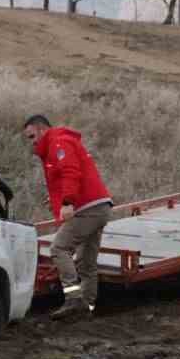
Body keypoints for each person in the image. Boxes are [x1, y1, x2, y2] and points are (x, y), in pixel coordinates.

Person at [23, 115, 113, 319]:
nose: (32, 142)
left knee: (59, 248)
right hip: (100, 206)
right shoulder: (60, 143)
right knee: (86, 262)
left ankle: (73, 299)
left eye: (32, 136)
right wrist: (59, 199)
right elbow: (66, 177)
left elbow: (71, 172)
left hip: (87, 208)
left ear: (42, 130)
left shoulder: (59, 142)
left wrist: (67, 202)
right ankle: (87, 309)